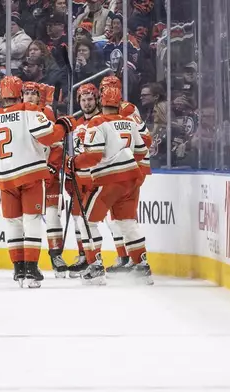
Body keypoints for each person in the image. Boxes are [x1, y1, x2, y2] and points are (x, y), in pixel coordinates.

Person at [0, 75, 64, 288]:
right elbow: (48, 137)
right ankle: (31, 268)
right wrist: (65, 126)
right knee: (31, 220)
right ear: (19, 93)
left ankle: (18, 270)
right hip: (31, 175)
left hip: (6, 180)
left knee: (13, 223)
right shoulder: (29, 111)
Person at [65, 86, 152, 285]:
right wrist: (124, 157)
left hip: (108, 179)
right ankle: (142, 265)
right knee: (127, 222)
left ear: (101, 102)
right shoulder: (129, 122)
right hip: (131, 178)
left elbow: (93, 156)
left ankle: (95, 266)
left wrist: (73, 163)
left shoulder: (97, 122)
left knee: (86, 221)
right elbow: (140, 151)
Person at [97, 75, 153, 275]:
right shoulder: (122, 111)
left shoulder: (126, 110)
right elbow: (145, 139)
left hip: (126, 169)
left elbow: (145, 139)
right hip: (127, 168)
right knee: (117, 217)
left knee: (122, 217)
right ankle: (126, 256)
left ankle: (131, 256)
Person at [21, 81, 68, 278]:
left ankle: (55, 255)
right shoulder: (18, 116)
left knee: (52, 215)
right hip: (27, 175)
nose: (30, 97)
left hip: (48, 174)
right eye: (27, 93)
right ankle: (29, 261)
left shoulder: (46, 115)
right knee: (27, 219)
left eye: (34, 94)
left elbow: (57, 145)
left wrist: (51, 168)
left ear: (40, 97)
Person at [63, 83, 102, 278]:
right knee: (79, 220)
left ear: (97, 100)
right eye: (83, 100)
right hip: (80, 177)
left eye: (90, 99)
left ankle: (123, 257)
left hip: (98, 177)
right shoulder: (77, 124)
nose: (86, 103)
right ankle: (85, 257)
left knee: (106, 222)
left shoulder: (103, 121)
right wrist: (69, 174)